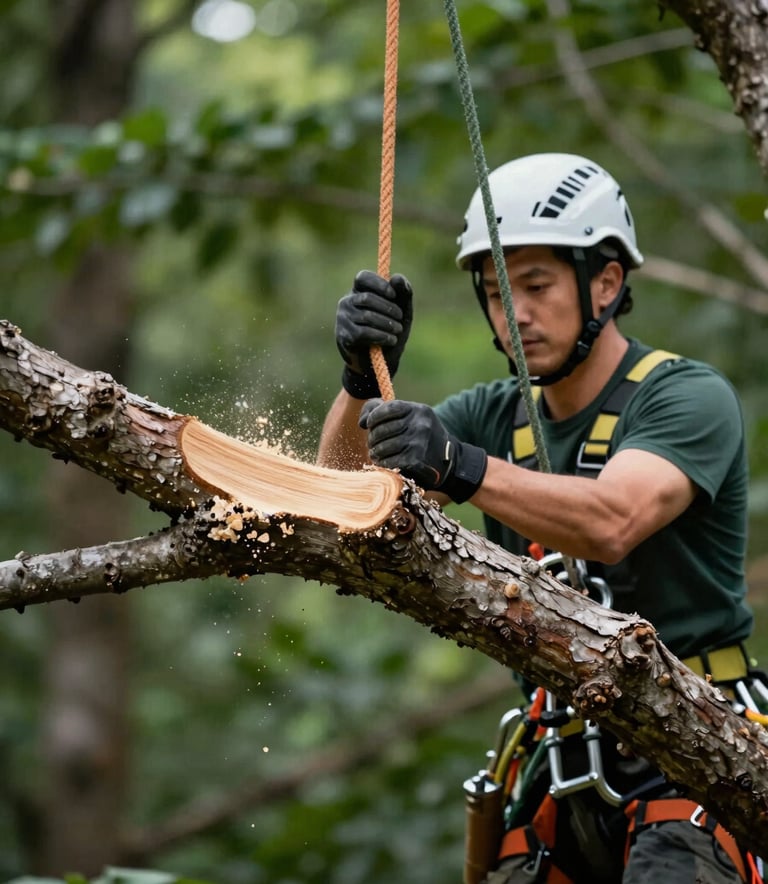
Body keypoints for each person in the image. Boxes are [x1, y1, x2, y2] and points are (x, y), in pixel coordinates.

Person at [317, 153, 756, 883]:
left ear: (607, 283)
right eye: (494, 292)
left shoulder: (686, 398)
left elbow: (613, 518)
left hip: (697, 762)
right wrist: (359, 384)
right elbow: (340, 495)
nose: (514, 312)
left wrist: (460, 465)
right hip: (556, 768)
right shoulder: (491, 414)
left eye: (537, 285)